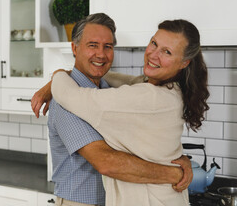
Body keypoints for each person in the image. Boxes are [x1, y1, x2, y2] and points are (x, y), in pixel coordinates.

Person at [31, 14, 194, 206]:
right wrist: (174, 172)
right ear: (75, 48)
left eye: (107, 46)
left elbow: (144, 144)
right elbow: (107, 162)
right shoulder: (65, 102)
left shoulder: (110, 93)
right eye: (92, 45)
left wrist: (180, 159)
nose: (101, 54)